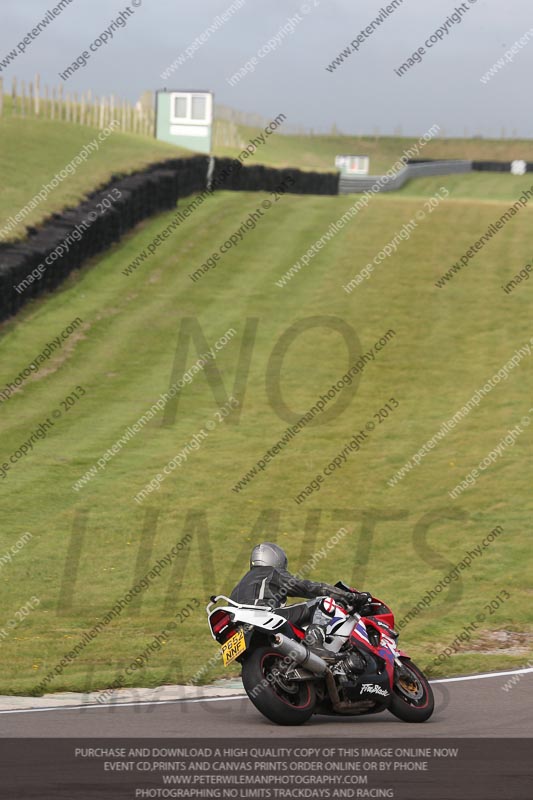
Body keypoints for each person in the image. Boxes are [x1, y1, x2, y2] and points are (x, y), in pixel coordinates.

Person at [229, 542, 372, 655]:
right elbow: (306, 587)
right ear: (276, 559)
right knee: (322, 602)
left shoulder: (240, 585)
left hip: (238, 626)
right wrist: (350, 596)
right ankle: (315, 645)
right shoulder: (271, 572)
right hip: (262, 615)